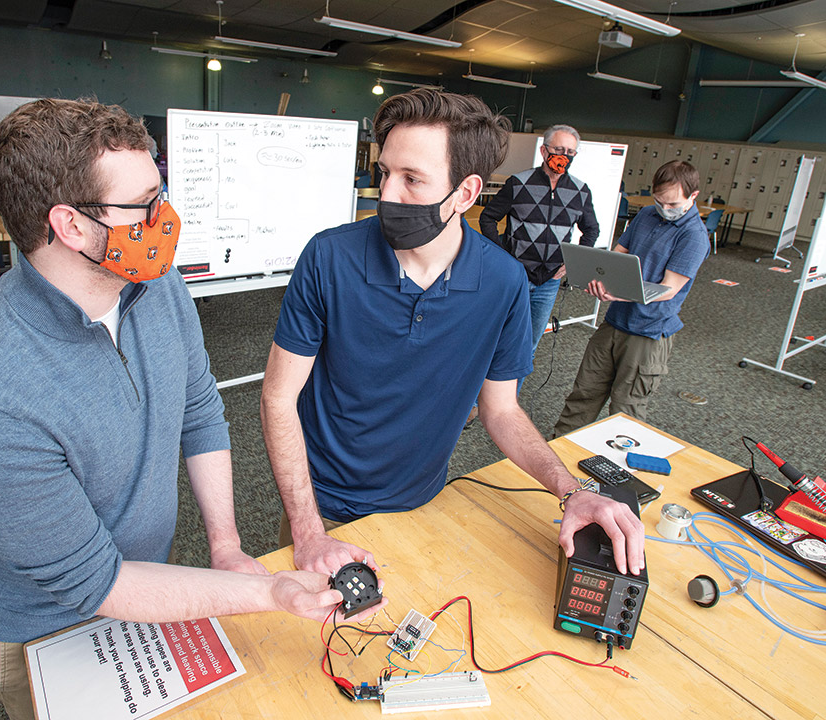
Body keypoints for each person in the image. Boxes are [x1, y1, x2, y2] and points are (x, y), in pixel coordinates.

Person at [0, 99, 352, 720]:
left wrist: (226, 547)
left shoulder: (154, 284)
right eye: (146, 203)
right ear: (71, 226)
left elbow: (198, 409)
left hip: (154, 581)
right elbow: (97, 583)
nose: (165, 216)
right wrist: (266, 592)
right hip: (47, 627)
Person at [260, 89, 644, 583]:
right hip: (322, 509)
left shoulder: (503, 282)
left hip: (427, 502)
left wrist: (571, 490)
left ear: (465, 193)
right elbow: (278, 397)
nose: (388, 194)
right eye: (385, 173)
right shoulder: (329, 258)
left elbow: (501, 410)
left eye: (412, 179)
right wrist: (307, 529)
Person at [553, 160, 710, 437]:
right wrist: (598, 276)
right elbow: (617, 255)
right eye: (660, 201)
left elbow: (669, 288)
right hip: (615, 323)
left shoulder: (693, 236)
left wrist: (619, 293)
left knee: (626, 410)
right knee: (584, 393)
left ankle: (618, 471)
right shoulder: (647, 215)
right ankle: (558, 450)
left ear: (693, 196)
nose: (665, 209)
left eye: (672, 204)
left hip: (648, 333)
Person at [479, 124, 599, 387]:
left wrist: (572, 263)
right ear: (544, 151)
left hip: (549, 282)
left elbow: (591, 230)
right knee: (498, 339)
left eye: (570, 151)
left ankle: (508, 403)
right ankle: (478, 400)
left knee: (529, 345)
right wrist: (502, 256)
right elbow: (488, 218)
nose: (564, 156)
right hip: (515, 278)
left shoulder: (580, 190)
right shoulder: (519, 183)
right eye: (559, 149)